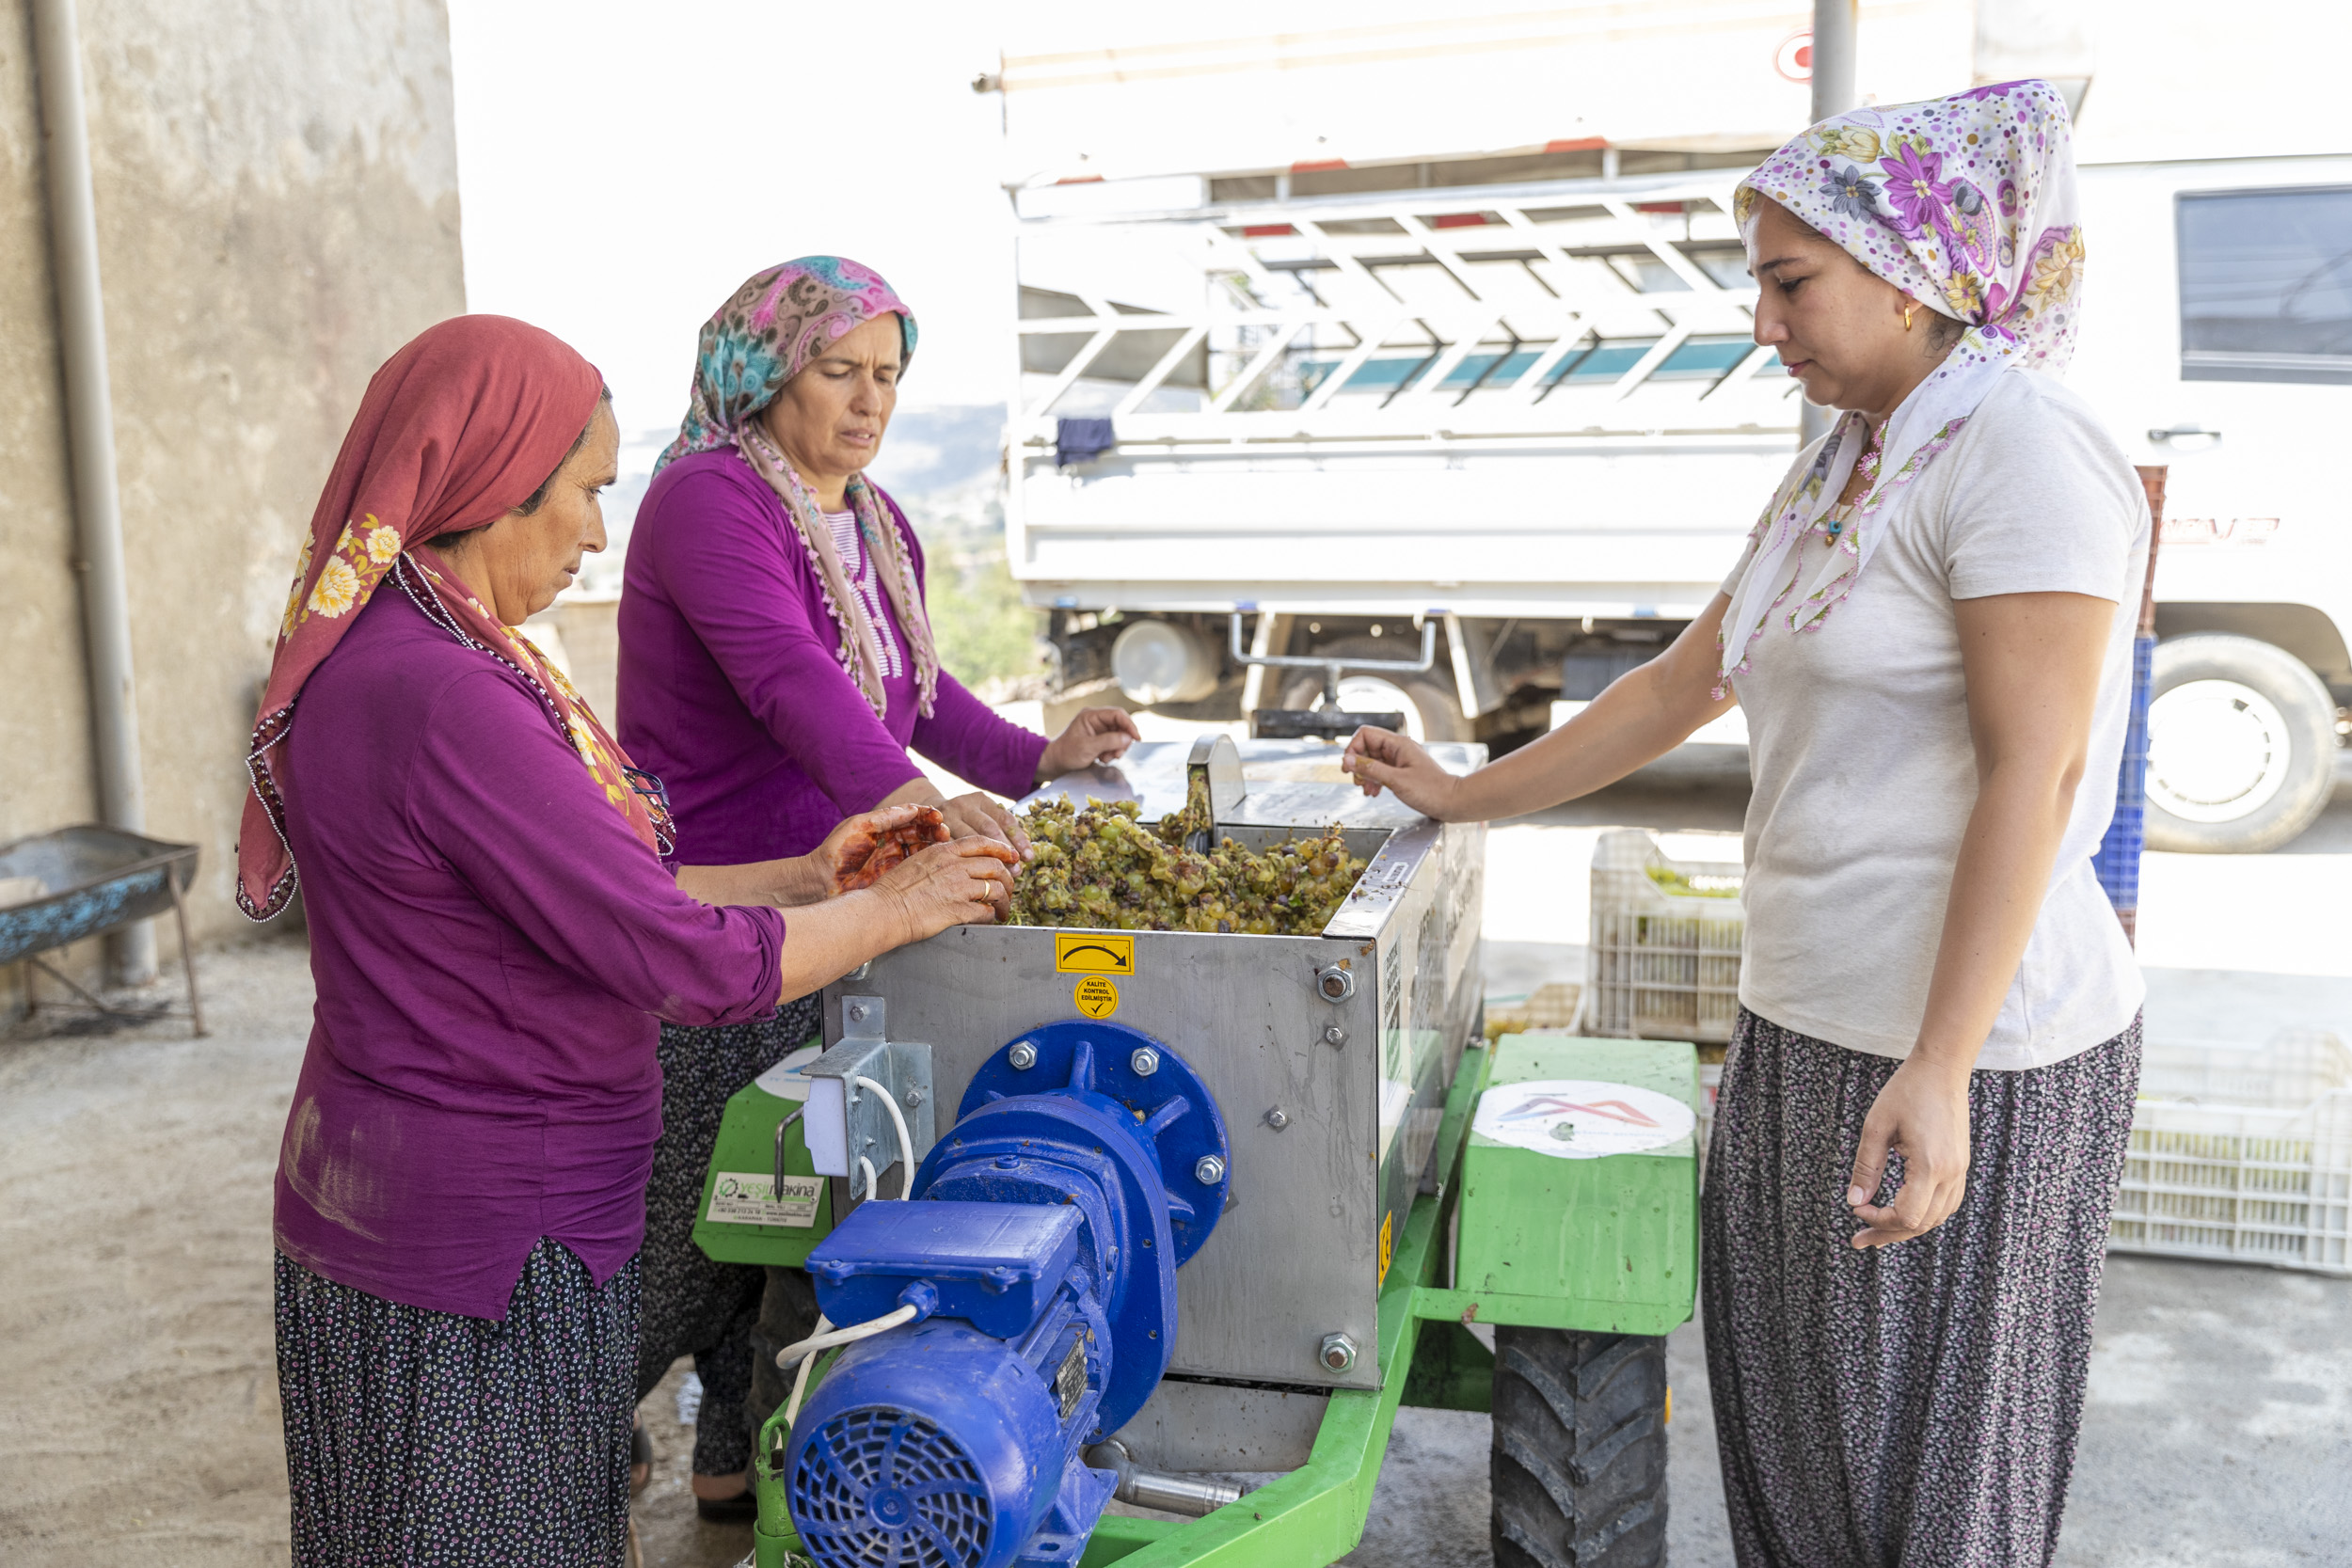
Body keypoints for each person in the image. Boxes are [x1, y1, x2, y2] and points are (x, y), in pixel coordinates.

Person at [1343, 82, 2143, 1568]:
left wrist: (1945, 1065)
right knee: (1797, 1463)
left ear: (1915, 271)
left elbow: (2035, 777)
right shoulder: (1847, 461)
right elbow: (1677, 688)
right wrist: (1462, 792)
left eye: (1792, 283)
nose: (1764, 326)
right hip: (1806, 1022)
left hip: (1970, 1054)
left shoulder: (2020, 447)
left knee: (1927, 1499)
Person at [240, 314, 1017, 1565]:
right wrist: (901, 908)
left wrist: (803, 871)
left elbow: (563, 892)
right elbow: (682, 962)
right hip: (480, 1245)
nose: (600, 532)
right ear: (495, 487)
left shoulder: (404, 648)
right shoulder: (448, 697)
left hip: (394, 1205)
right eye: (590, 493)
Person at [613, 256, 1137, 1512]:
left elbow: (918, 693)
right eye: (838, 371)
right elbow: (794, 685)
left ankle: (735, 1464)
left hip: (848, 908)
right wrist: (914, 803)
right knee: (700, 1211)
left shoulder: (877, 521)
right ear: (764, 370)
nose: (869, 402)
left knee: (811, 1203)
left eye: (888, 377)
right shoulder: (709, 502)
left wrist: (1035, 757)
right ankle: (570, 1437)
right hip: (732, 905)